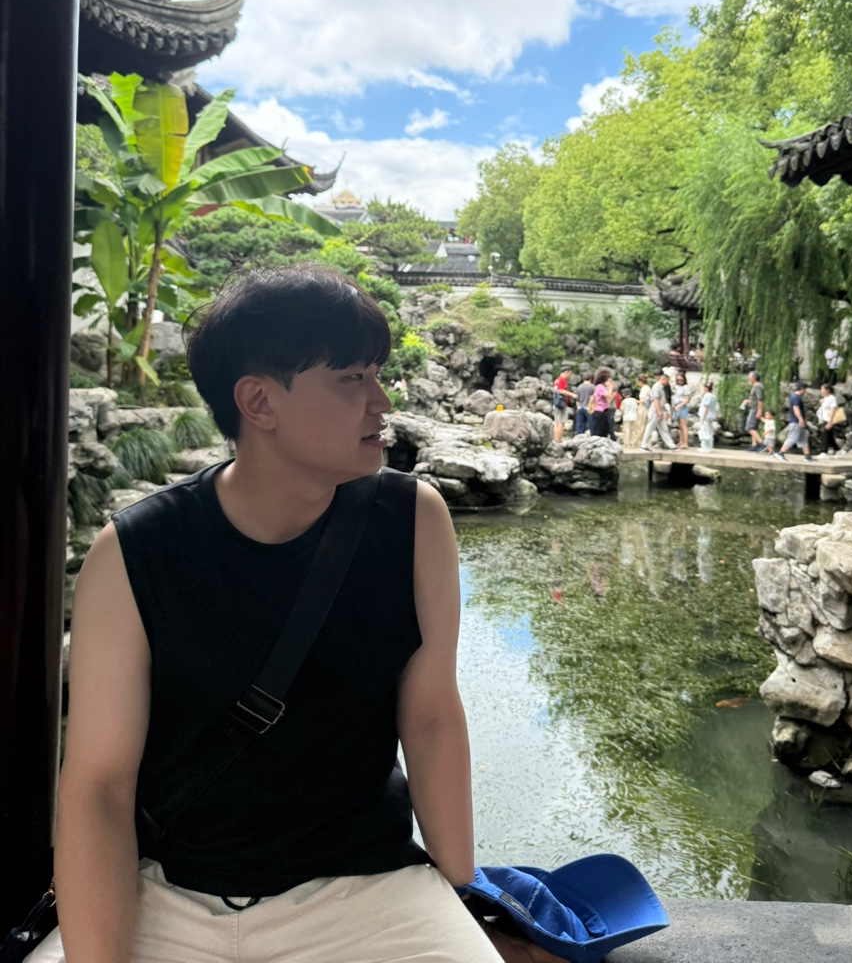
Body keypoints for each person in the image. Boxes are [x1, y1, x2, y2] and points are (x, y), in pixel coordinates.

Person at [42, 264, 555, 963]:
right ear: (259, 401)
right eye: (351, 379)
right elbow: (99, 788)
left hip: (366, 889)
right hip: (164, 891)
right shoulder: (135, 552)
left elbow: (431, 714)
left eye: (377, 375)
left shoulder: (412, 520)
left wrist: (459, 886)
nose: (381, 402)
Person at [776, 381, 811, 461]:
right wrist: (800, 419)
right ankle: (780, 453)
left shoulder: (795, 397)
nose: (805, 391)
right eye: (805, 389)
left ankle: (807, 456)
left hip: (798, 422)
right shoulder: (796, 397)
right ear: (802, 388)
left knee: (803, 438)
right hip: (796, 422)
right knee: (793, 437)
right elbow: (796, 408)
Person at [639, 372, 675, 451]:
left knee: (664, 428)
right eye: (667, 381)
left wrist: (665, 411)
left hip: (660, 410)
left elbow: (662, 400)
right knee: (650, 427)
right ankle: (643, 445)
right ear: (663, 379)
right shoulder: (656, 387)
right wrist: (658, 412)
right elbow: (655, 400)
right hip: (655, 410)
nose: (667, 383)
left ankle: (671, 446)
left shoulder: (661, 387)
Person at [740, 371, 765, 451]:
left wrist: (759, 411)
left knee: (749, 427)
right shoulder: (756, 386)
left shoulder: (757, 386)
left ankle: (762, 444)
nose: (748, 379)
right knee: (754, 427)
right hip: (754, 408)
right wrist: (748, 401)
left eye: (749, 377)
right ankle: (754, 445)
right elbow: (755, 399)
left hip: (755, 410)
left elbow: (760, 399)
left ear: (753, 378)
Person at [816, 383, 840, 456]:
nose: (821, 391)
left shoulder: (832, 398)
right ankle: (837, 449)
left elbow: (833, 409)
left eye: (822, 389)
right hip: (824, 419)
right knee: (829, 435)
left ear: (827, 390)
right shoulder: (825, 398)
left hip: (829, 419)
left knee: (825, 434)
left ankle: (823, 451)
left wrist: (830, 420)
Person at [551, 367, 574, 443]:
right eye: (569, 374)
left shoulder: (556, 380)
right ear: (566, 372)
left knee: (557, 422)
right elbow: (561, 390)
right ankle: (558, 440)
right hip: (561, 404)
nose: (569, 376)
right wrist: (572, 394)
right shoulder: (562, 380)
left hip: (556, 403)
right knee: (561, 423)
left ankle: (555, 439)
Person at [590, 366, 613, 438]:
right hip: (600, 411)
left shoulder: (602, 387)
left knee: (604, 430)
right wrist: (610, 387)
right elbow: (608, 395)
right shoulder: (600, 387)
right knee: (599, 431)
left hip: (604, 411)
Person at [697, 382, 718, 451]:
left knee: (704, 431)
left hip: (706, 416)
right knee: (708, 431)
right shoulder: (713, 396)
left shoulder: (707, 396)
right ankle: (709, 446)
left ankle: (705, 447)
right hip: (710, 416)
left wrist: (702, 417)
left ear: (706, 388)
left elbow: (706, 406)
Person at [672, 372, 691, 449]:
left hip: (682, 406)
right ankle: (681, 441)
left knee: (683, 425)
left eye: (681, 380)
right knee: (679, 425)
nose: (679, 381)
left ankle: (685, 443)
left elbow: (686, 400)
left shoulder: (685, 387)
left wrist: (679, 406)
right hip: (676, 406)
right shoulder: (676, 387)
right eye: (678, 380)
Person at [573, 372, 594, 437]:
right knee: (592, 426)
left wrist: (578, 407)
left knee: (579, 426)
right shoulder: (593, 387)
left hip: (580, 407)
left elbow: (577, 399)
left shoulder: (579, 387)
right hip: (589, 408)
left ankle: (579, 439)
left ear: (583, 379)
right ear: (590, 378)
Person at [634, 374, 651, 445]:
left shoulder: (644, 388)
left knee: (640, 424)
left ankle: (638, 440)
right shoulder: (647, 387)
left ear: (640, 381)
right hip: (645, 407)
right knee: (642, 424)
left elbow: (643, 400)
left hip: (643, 407)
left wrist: (635, 401)